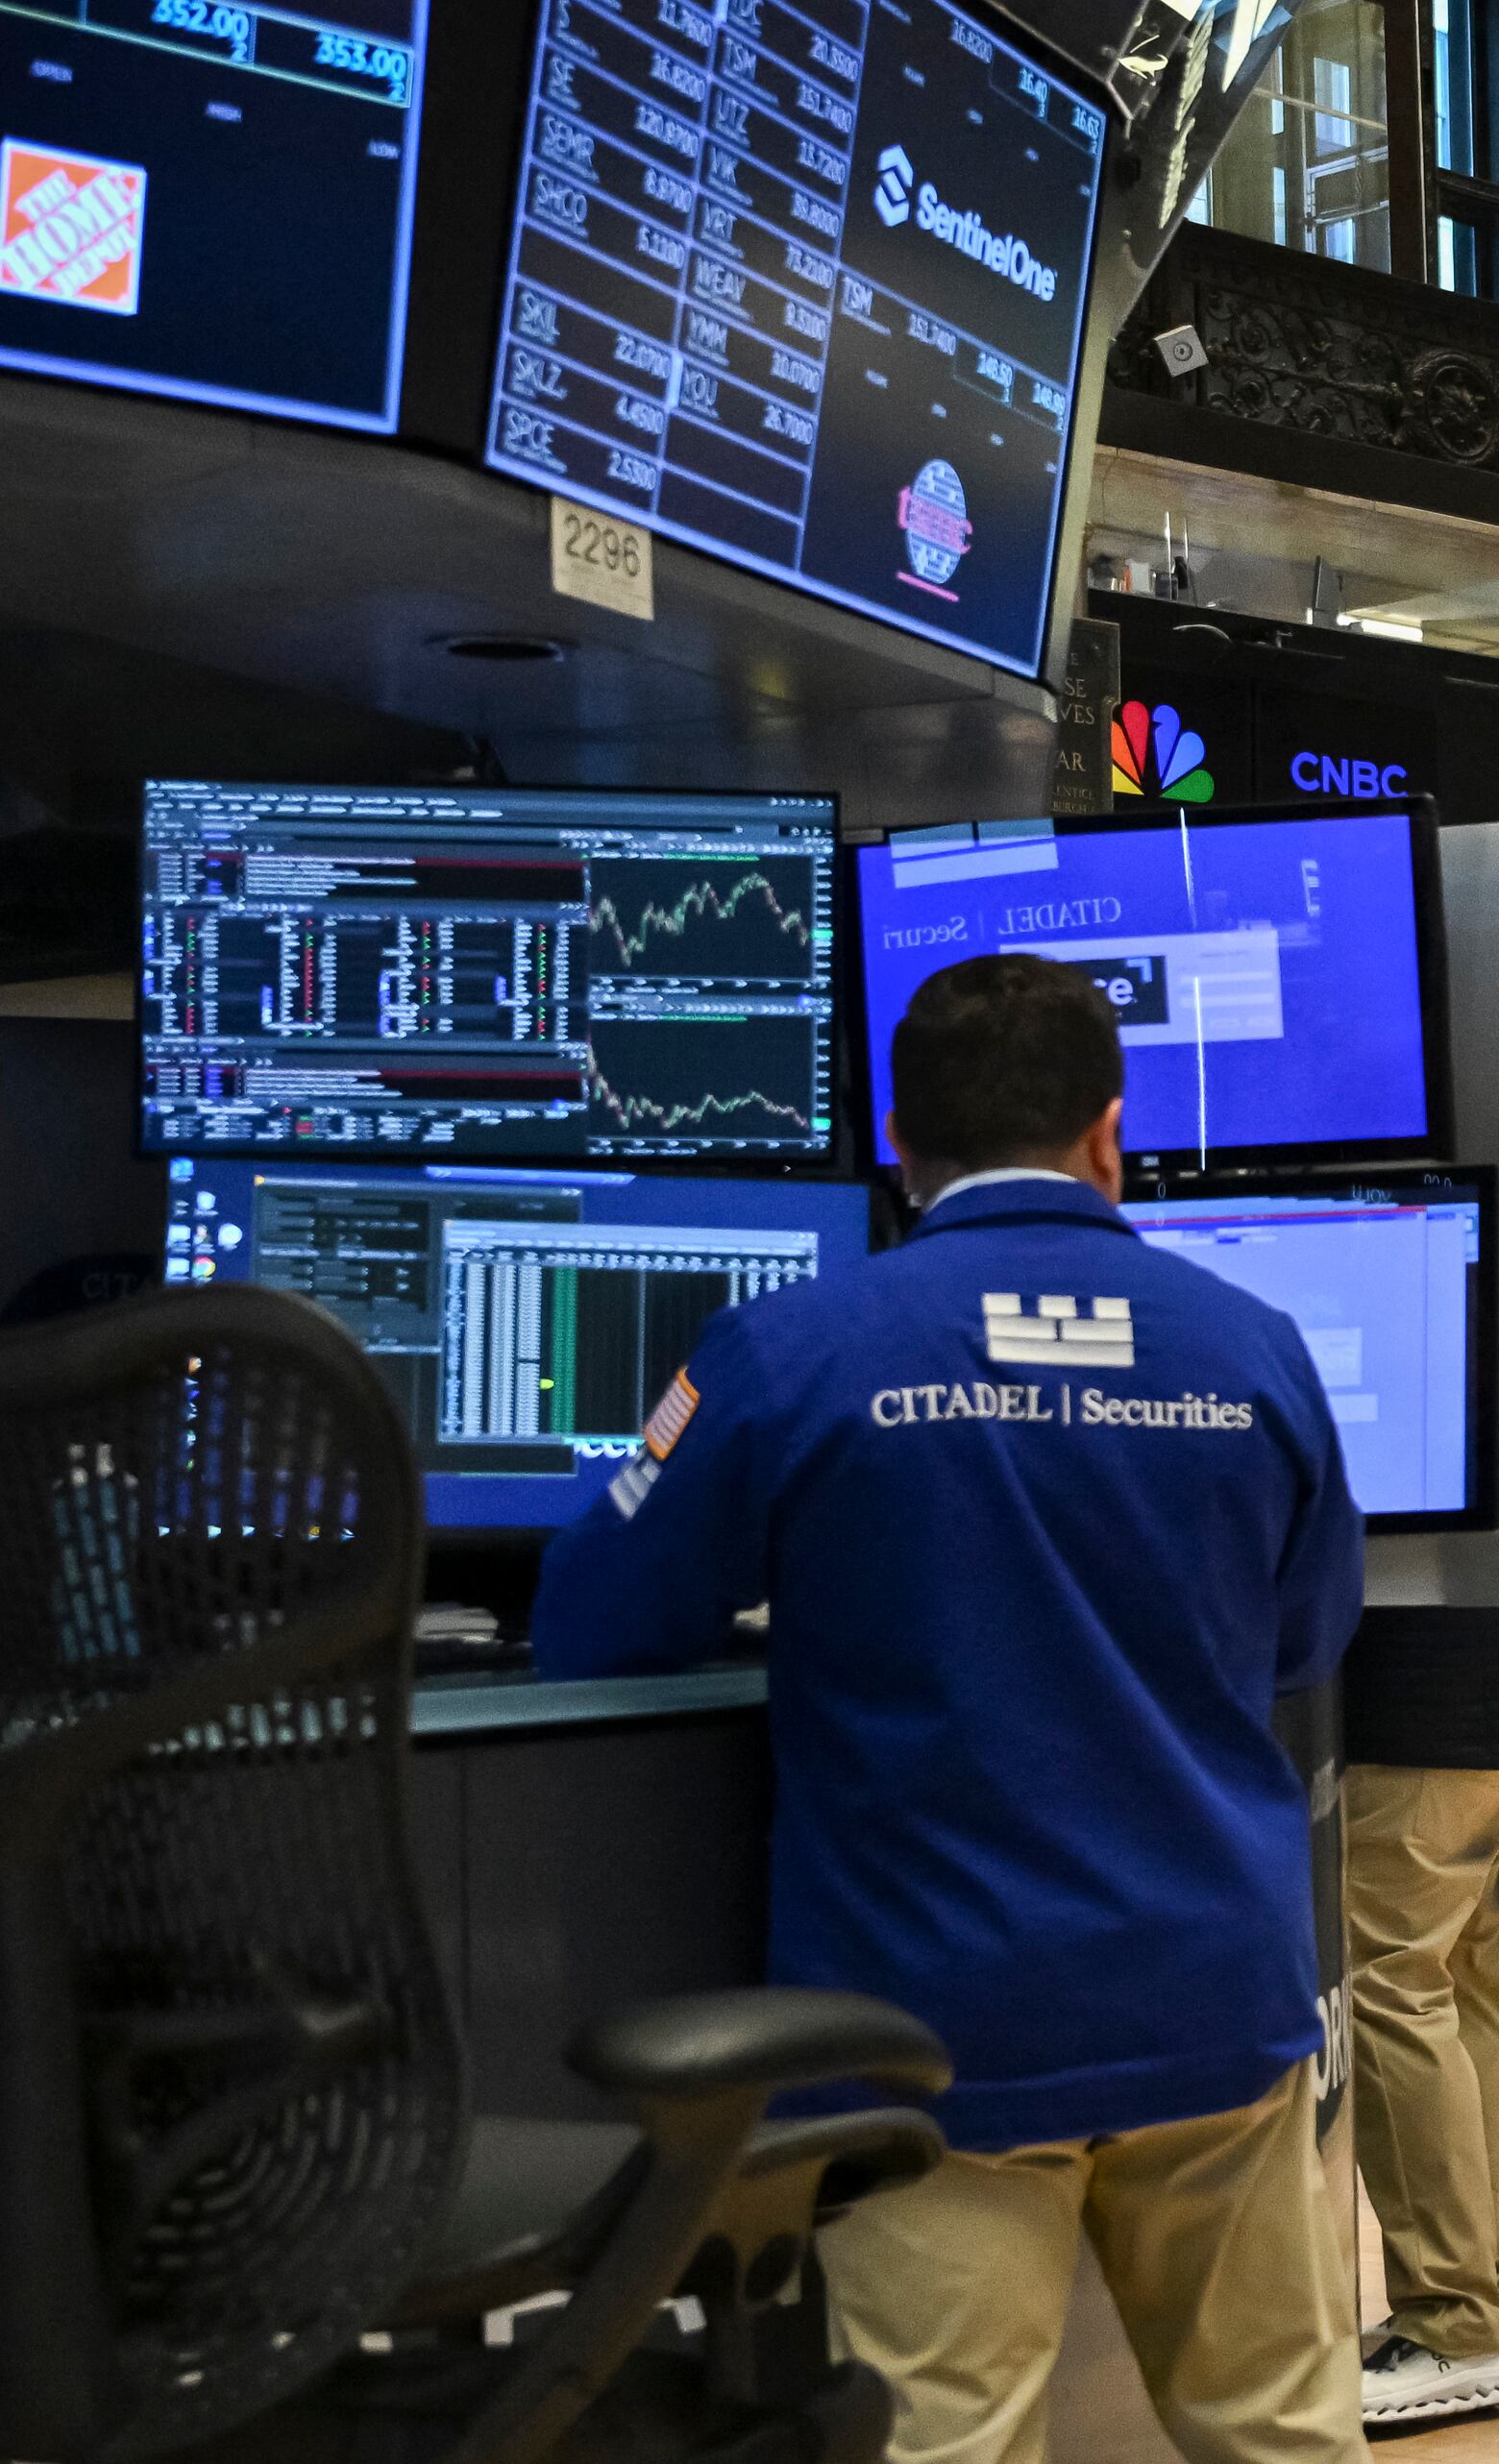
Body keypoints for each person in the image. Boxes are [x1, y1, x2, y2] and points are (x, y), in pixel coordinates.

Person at [535, 954, 1360, 2464]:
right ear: (1111, 1134)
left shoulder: (787, 1350)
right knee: (1284, 2436)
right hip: (1218, 1998)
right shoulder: (1257, 1349)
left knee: (941, 2445)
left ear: (895, 1136)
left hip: (936, 2027)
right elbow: (1303, 1640)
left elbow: (593, 1618)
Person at [1341, 1597, 1499, 2429]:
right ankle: (1473, 2300)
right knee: (1466, 1988)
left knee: (1387, 1984)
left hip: (1411, 1689)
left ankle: (1454, 2321)